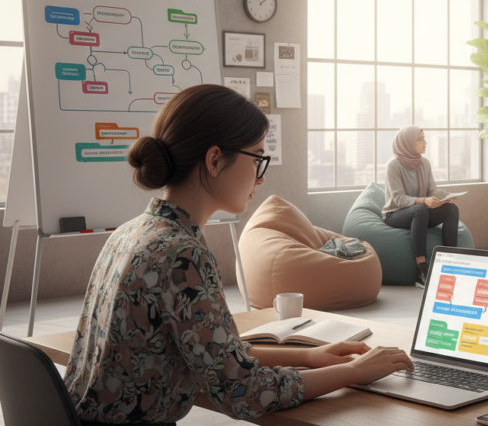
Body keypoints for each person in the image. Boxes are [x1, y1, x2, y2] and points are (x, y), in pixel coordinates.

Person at [64, 85, 413, 425]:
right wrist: (354, 372)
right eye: (257, 158)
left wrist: (311, 355)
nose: (260, 178)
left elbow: (217, 353)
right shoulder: (182, 255)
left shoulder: (131, 232)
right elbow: (243, 392)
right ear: (215, 160)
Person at [383, 125, 460, 288]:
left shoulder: (424, 163)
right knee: (420, 209)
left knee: (451, 210)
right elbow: (398, 199)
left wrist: (446, 197)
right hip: (396, 214)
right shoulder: (393, 165)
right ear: (408, 143)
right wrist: (423, 201)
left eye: (424, 138)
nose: (425, 143)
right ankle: (421, 270)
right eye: (420, 139)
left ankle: (450, 263)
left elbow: (432, 190)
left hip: (420, 213)